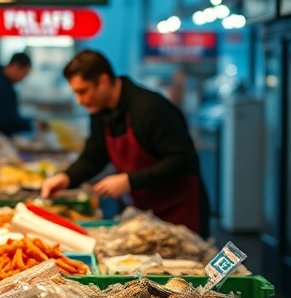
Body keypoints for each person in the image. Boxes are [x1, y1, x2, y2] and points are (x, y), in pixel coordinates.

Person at [41, 49, 210, 237]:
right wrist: (66, 178)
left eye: (83, 91)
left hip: (179, 211)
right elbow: (93, 157)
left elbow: (183, 160)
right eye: (75, 93)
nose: (80, 100)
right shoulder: (100, 111)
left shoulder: (150, 108)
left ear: (103, 81)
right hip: (145, 212)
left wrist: (128, 180)